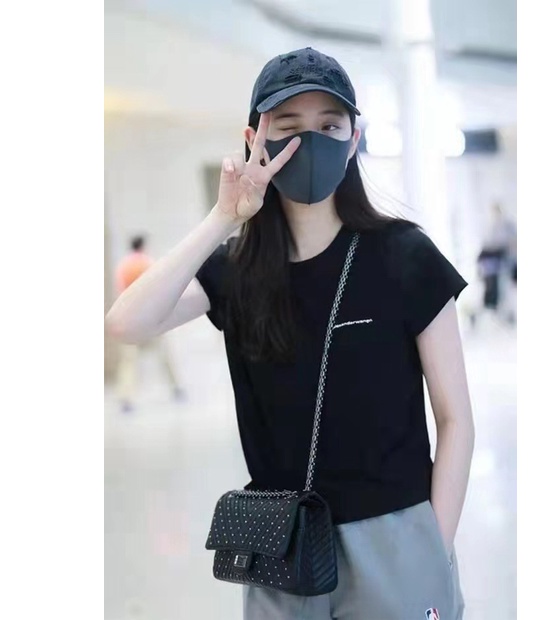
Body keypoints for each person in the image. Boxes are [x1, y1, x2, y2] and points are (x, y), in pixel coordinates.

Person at [106, 47, 475, 619]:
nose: (311, 142)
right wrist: (224, 218)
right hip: (281, 544)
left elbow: (455, 419)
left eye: (329, 126)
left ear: (353, 140)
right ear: (254, 139)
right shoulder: (236, 269)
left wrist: (434, 546)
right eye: (288, 126)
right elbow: (126, 323)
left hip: (395, 539)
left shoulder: (404, 255)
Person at [113, 235, 184, 412]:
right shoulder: (148, 263)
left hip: (129, 318)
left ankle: (126, 396)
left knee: (129, 360)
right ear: (143, 246)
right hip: (149, 317)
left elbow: (120, 291)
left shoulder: (123, 266)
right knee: (164, 355)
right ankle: (175, 387)